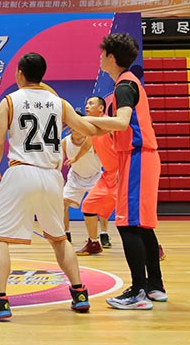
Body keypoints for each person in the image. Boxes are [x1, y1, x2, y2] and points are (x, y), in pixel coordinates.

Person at [0, 52, 98, 321]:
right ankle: (79, 293)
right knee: (59, 239)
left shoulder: (10, 100)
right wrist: (115, 124)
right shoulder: (59, 103)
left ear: (20, 73)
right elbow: (86, 128)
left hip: (22, 171)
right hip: (52, 176)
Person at [84, 33, 166, 309]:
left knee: (127, 223)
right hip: (142, 157)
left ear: (111, 56)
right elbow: (115, 127)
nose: (99, 57)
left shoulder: (124, 85)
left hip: (137, 156)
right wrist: (88, 124)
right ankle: (155, 286)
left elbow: (121, 122)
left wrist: (87, 121)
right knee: (141, 225)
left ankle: (138, 292)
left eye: (102, 53)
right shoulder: (128, 83)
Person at [75, 96, 118, 255]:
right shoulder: (93, 128)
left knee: (132, 214)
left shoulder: (110, 123)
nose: (87, 106)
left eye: (91, 103)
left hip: (122, 175)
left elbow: (125, 146)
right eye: (86, 103)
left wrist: (122, 168)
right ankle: (93, 243)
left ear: (101, 108)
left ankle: (154, 248)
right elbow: (88, 143)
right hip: (107, 177)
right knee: (88, 205)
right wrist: (76, 158)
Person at [61, 111, 103, 245]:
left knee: (100, 207)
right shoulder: (65, 142)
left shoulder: (93, 139)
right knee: (62, 203)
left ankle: (104, 233)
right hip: (75, 177)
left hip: (95, 176)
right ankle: (66, 234)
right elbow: (59, 161)